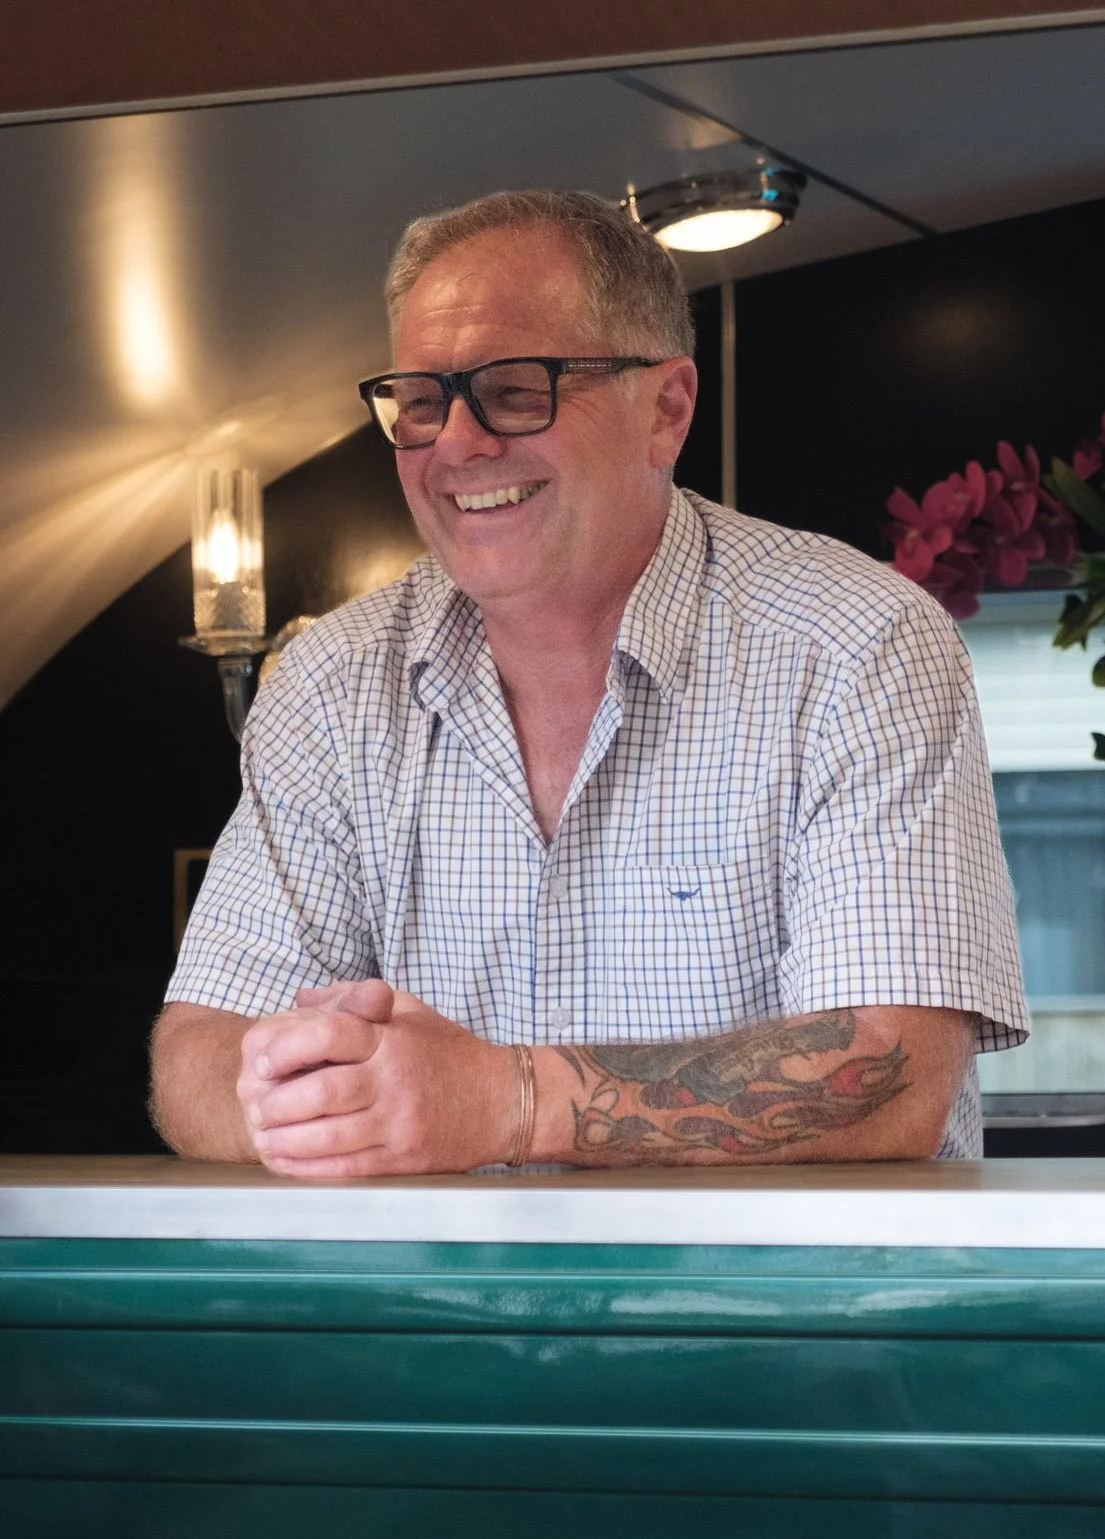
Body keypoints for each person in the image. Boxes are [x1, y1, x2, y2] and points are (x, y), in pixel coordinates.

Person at [150, 189, 1027, 1177]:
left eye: (515, 390)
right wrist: (314, 1091)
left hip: (787, 1325)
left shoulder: (854, 642)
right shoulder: (328, 682)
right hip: (439, 1326)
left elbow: (894, 1072)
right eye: (422, 403)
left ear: (666, 409)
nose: (456, 444)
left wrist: (499, 1100)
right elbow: (195, 1054)